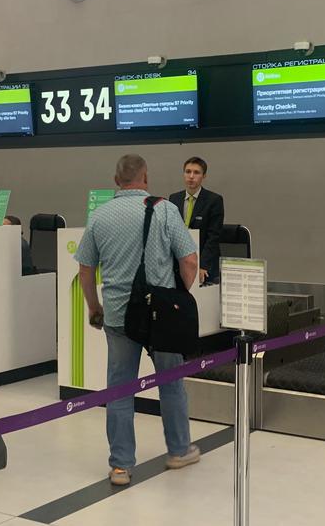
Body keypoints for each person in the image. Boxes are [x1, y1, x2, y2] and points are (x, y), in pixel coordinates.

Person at [75, 154, 201, 486]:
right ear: (145, 178)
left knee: (120, 389)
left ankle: (120, 466)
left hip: (119, 315)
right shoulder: (165, 210)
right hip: (161, 315)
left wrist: (94, 307)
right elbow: (190, 260)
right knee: (171, 383)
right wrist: (178, 295)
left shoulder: (99, 216)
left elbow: (85, 270)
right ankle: (179, 450)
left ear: (116, 181)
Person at [169, 157, 225, 285]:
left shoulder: (214, 200)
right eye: (188, 172)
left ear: (204, 176)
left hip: (204, 265)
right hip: (180, 263)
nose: (191, 176)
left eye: (196, 172)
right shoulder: (174, 198)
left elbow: (213, 237)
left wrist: (203, 265)